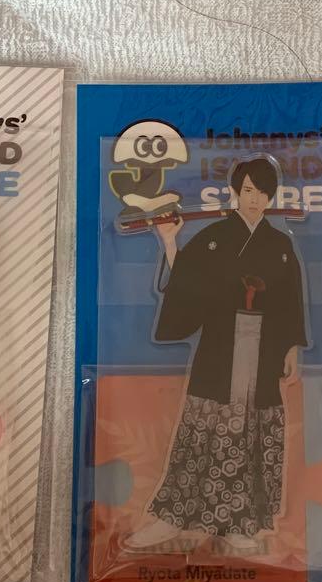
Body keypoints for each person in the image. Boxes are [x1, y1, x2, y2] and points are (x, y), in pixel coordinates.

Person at [125, 156, 308, 555]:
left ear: (270, 196)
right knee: (203, 430)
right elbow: (188, 285)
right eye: (248, 191)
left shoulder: (280, 245)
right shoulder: (215, 238)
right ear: (235, 192)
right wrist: (169, 241)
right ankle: (173, 516)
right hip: (221, 346)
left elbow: (290, 300)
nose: (255, 200)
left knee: (251, 431)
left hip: (264, 350)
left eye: (262, 192)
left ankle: (238, 521)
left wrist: (291, 346)